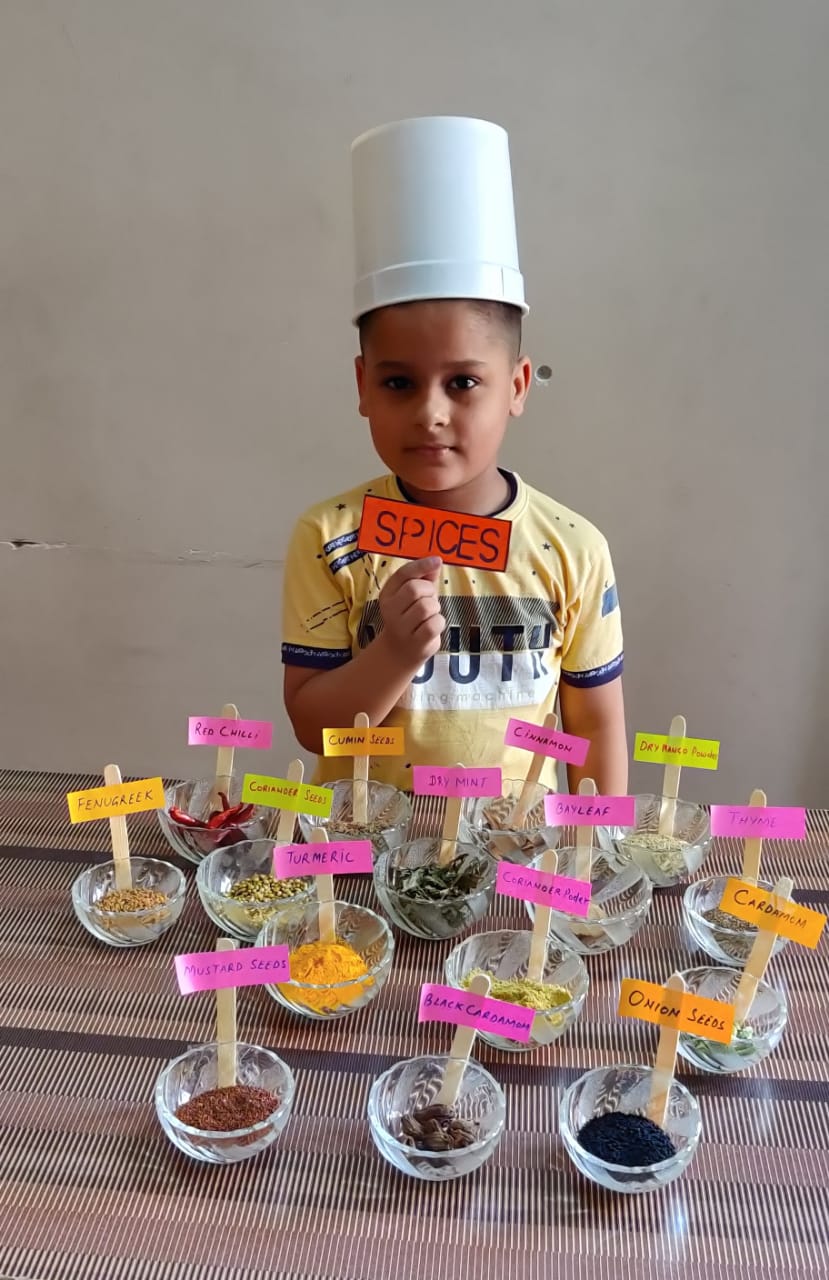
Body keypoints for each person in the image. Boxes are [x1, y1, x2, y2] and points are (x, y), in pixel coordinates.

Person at [281, 117, 627, 794]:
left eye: (464, 383)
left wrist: (597, 844)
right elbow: (312, 728)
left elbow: (594, 722)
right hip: (366, 840)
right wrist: (393, 653)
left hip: (513, 842)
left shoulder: (572, 549)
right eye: (398, 383)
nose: (430, 413)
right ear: (362, 386)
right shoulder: (331, 538)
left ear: (516, 387)